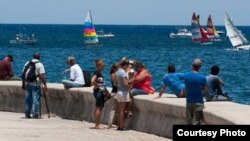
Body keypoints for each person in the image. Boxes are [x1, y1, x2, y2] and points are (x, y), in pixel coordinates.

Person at [22, 53, 47, 118]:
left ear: (33, 57)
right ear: (39, 57)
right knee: (35, 99)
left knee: (28, 99)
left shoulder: (27, 63)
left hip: (27, 84)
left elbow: (23, 73)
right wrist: (45, 85)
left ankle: (27, 114)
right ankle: (35, 114)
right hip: (35, 84)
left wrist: (23, 84)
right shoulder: (40, 64)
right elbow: (41, 76)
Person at [184, 58, 207, 125]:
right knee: (196, 122)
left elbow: (186, 87)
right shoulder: (202, 77)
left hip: (189, 102)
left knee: (189, 122)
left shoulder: (186, 75)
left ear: (192, 65)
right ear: (200, 67)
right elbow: (205, 89)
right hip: (198, 102)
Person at [115, 59, 131, 130]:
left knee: (119, 109)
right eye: (127, 65)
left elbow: (116, 83)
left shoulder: (117, 72)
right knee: (122, 110)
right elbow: (125, 83)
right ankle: (121, 126)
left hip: (118, 91)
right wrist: (130, 84)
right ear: (124, 65)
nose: (127, 67)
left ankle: (119, 125)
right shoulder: (123, 73)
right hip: (124, 92)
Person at [91, 59, 106, 129]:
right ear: (99, 66)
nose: (104, 68)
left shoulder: (98, 72)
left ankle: (96, 124)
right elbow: (92, 81)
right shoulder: (97, 72)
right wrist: (97, 86)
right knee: (98, 108)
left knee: (98, 108)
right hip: (99, 92)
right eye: (103, 66)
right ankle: (97, 125)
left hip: (99, 92)